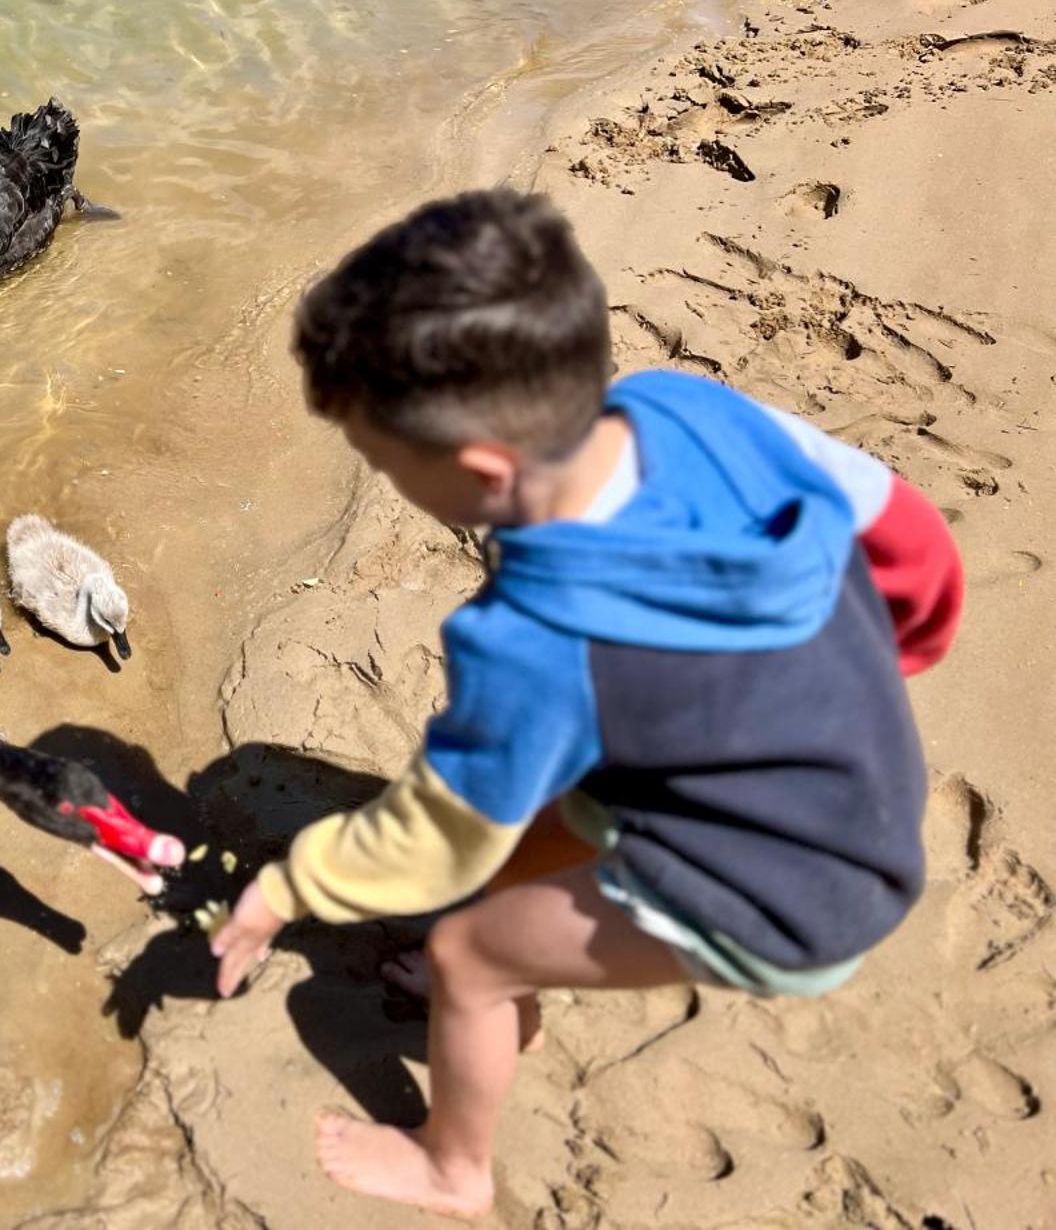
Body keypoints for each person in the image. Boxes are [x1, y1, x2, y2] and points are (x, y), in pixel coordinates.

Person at [208, 188, 962, 1217]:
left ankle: (453, 1164)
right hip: (852, 771)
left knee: (460, 946)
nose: (381, 477)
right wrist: (899, 645)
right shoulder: (681, 409)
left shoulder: (536, 637)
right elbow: (894, 521)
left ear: (477, 470)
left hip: (789, 895)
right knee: (531, 853)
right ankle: (521, 971)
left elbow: (439, 833)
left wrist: (288, 888)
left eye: (382, 462)